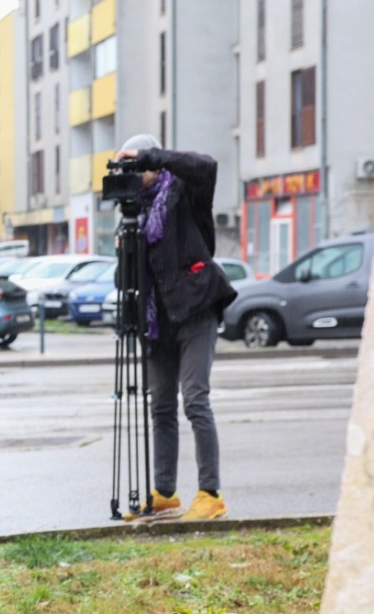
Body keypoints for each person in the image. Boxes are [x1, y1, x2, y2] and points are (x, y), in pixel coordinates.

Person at [114, 134, 238, 522]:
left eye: (139, 166)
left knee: (195, 399)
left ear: (156, 163)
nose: (135, 174)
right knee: (161, 407)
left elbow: (207, 165)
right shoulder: (131, 213)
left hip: (197, 309)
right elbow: (126, 282)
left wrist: (153, 157)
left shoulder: (185, 192)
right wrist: (124, 252)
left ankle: (210, 493)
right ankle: (165, 493)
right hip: (157, 321)